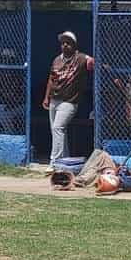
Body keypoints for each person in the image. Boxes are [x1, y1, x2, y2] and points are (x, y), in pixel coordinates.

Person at [43, 31, 95, 173]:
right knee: (57, 131)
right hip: (55, 99)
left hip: (69, 101)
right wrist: (46, 97)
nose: (65, 45)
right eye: (63, 43)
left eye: (68, 43)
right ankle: (63, 163)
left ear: (74, 45)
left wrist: (95, 65)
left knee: (58, 128)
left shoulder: (80, 58)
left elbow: (92, 62)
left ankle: (54, 162)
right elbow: (51, 79)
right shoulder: (57, 60)